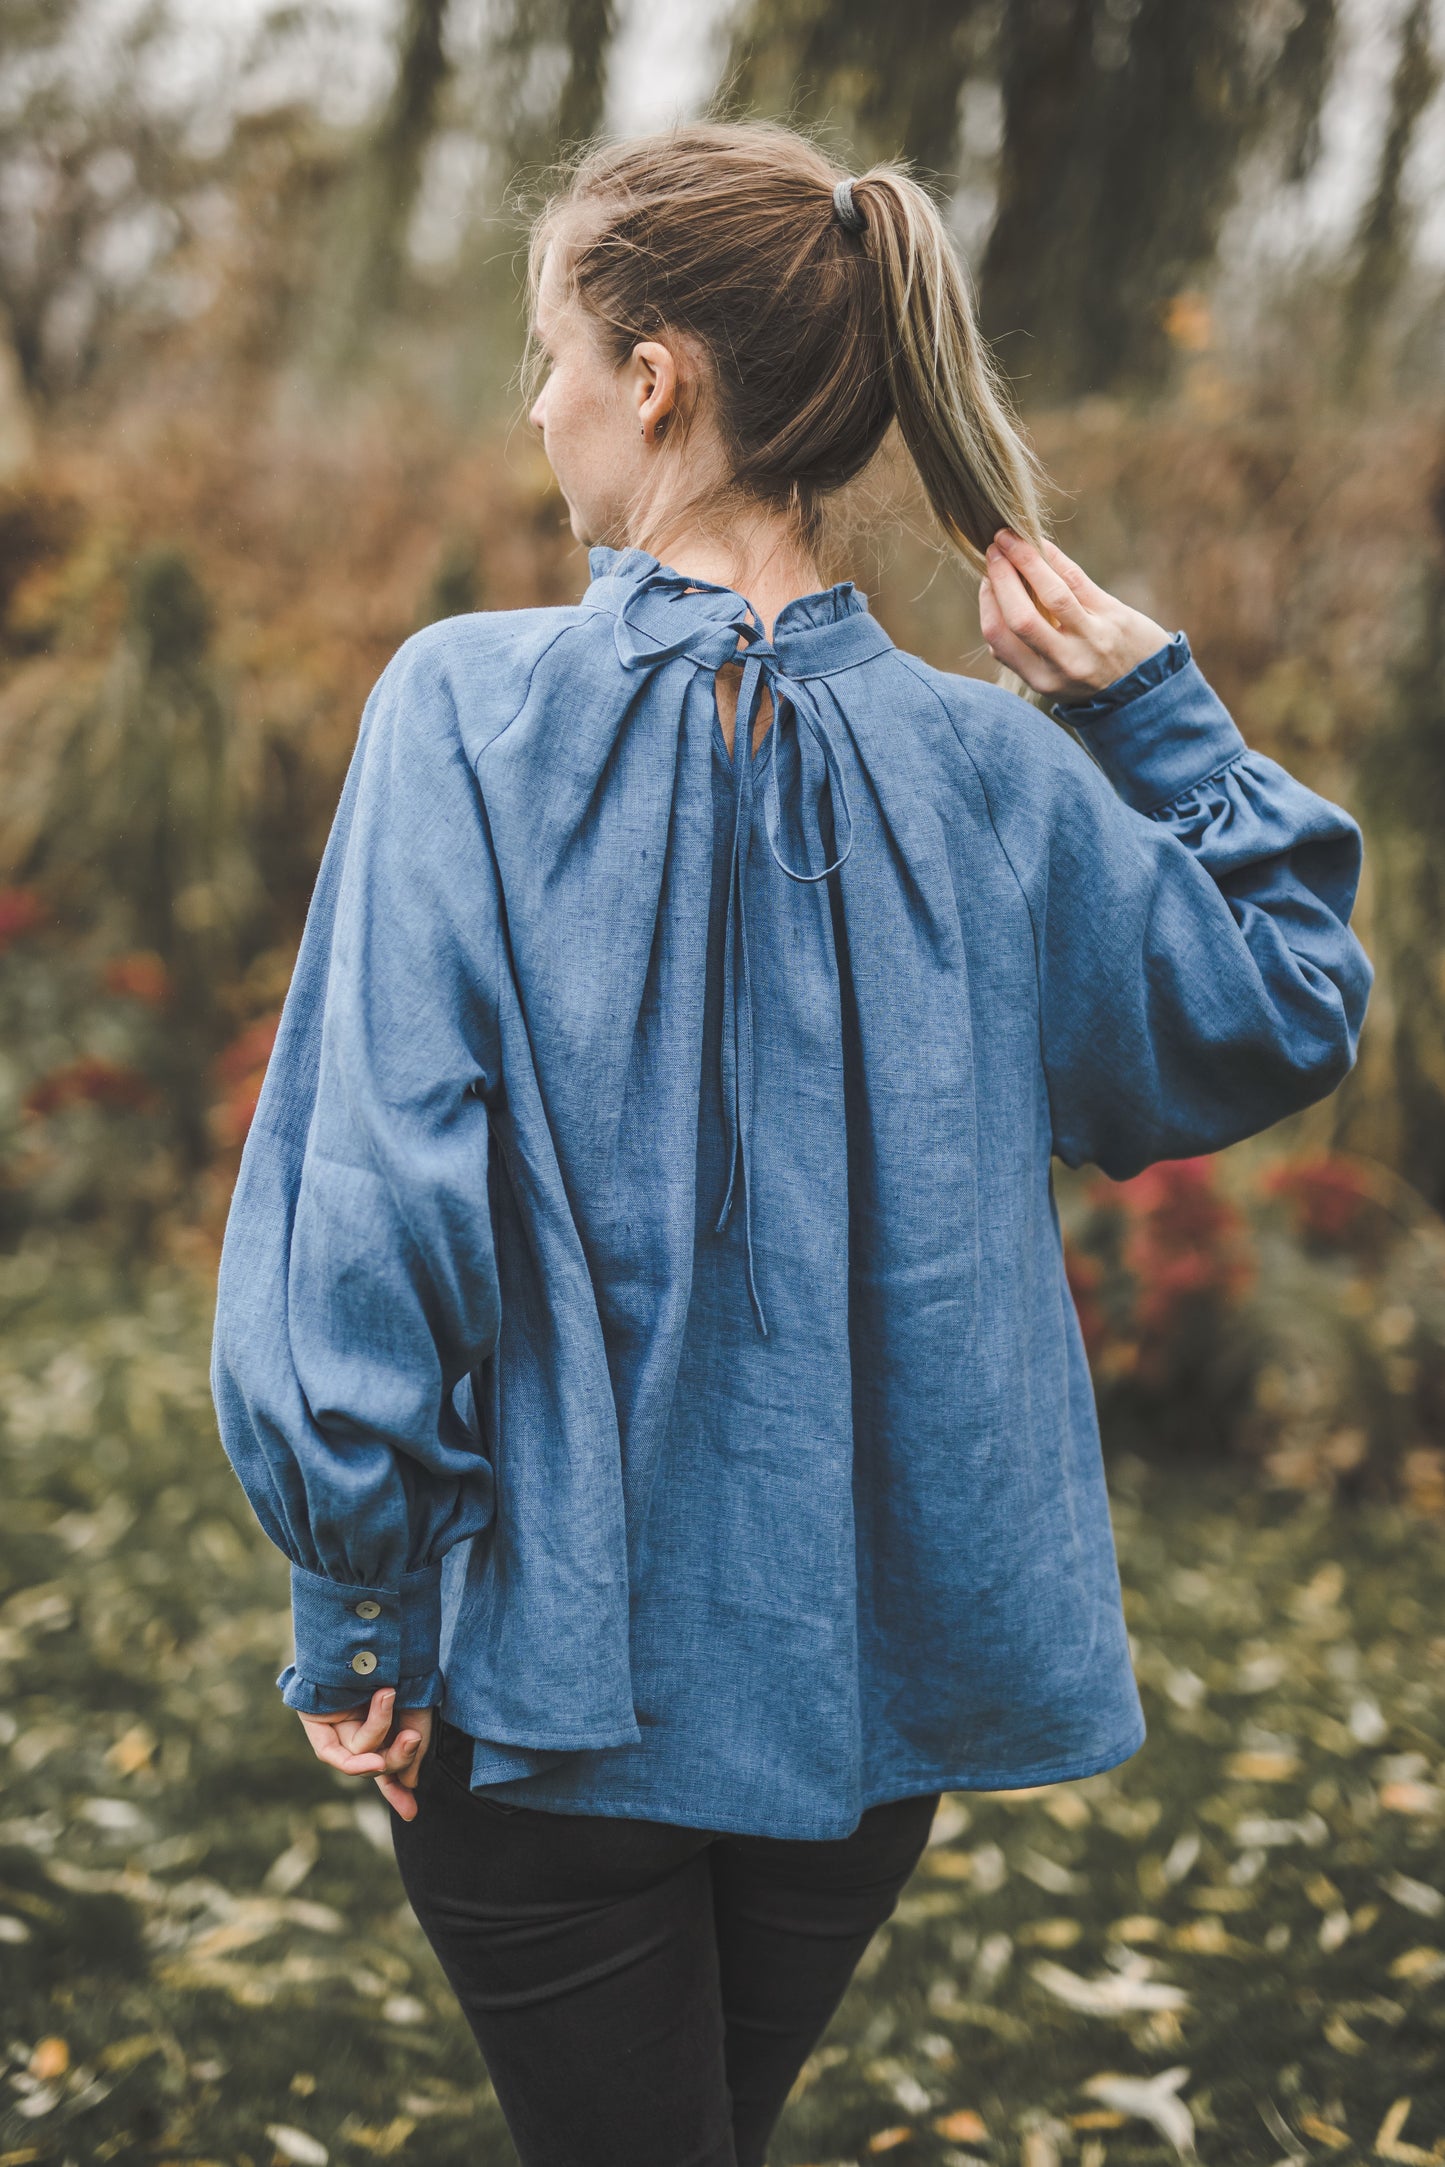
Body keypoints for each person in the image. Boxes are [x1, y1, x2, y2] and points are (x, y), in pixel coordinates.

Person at [210, 120, 1372, 2167]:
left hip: (536, 1694)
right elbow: (1288, 994)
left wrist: (361, 1606)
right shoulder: (995, 775)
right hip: (862, 1711)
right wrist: (1153, 713)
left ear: (657, 373)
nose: (532, 398)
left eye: (551, 344)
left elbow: (374, 1198)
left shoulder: (463, 712)